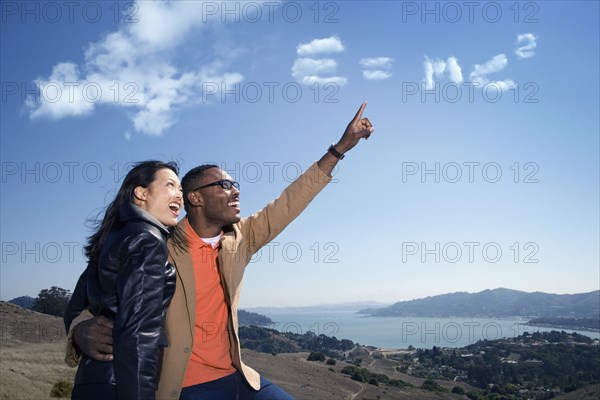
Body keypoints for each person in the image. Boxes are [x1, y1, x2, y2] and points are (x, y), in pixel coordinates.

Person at [65, 102, 374, 399]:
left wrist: (340, 148)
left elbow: (291, 201)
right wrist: (79, 330)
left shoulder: (242, 237)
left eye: (234, 183)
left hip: (237, 377)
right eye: (224, 184)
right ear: (195, 199)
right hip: (182, 387)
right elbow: (87, 295)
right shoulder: (157, 242)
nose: (235, 189)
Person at [66, 161, 183, 400]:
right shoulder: (148, 240)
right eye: (170, 185)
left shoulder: (113, 238)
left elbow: (73, 309)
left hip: (91, 381)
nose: (179, 195)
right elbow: (138, 336)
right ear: (141, 193)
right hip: (120, 385)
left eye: (181, 189)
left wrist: (78, 330)